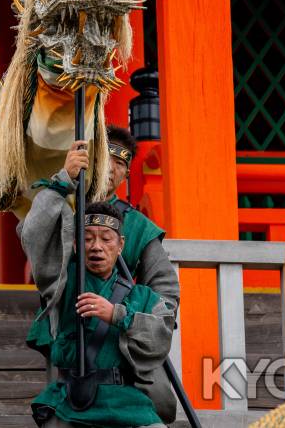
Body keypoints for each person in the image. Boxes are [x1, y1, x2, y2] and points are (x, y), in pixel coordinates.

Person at [19, 142, 172, 428]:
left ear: (120, 246)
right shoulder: (63, 283)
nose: (97, 247)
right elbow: (35, 238)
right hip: (72, 396)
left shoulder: (141, 293)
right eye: (88, 239)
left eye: (106, 239)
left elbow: (162, 317)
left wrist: (119, 314)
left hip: (125, 397)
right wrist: (63, 179)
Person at [105, 126, 180, 423]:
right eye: (105, 156)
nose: (111, 168)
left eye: (120, 162)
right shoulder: (64, 205)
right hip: (74, 333)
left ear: (126, 174)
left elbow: (165, 290)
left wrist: (138, 318)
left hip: (121, 333)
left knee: (157, 405)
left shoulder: (137, 225)